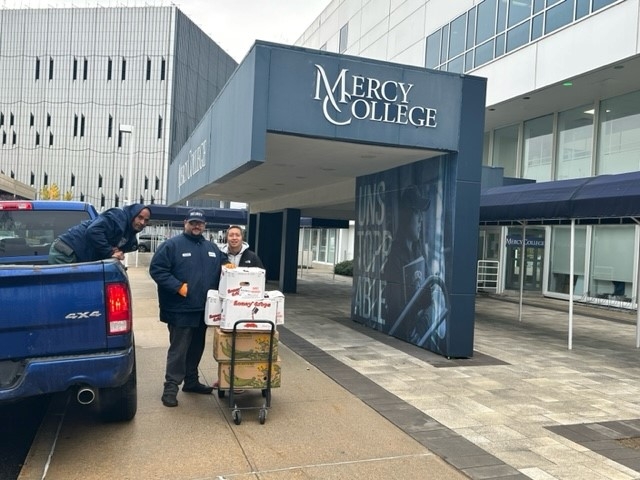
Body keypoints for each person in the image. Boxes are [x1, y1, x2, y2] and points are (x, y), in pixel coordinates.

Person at [149, 208, 226, 408]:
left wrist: (228, 266)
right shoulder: (171, 246)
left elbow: (222, 262)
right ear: (185, 223)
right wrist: (178, 287)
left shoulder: (211, 247)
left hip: (203, 310)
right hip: (179, 309)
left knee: (196, 347)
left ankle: (191, 382)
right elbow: (157, 269)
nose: (196, 226)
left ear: (205, 225)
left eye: (199, 223)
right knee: (179, 350)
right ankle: (171, 388)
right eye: (192, 223)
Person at [382, 185, 432, 342]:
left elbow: (429, 295)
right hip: (401, 332)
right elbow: (396, 307)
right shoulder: (395, 258)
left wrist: (425, 315)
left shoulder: (419, 253)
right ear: (407, 217)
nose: (420, 223)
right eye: (417, 216)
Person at [48, 203, 151, 264]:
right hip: (66, 251)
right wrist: (110, 252)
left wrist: (116, 252)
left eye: (146, 220)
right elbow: (93, 231)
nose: (142, 223)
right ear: (133, 215)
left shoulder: (129, 237)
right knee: (67, 290)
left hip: (78, 255)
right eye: (140, 217)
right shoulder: (118, 217)